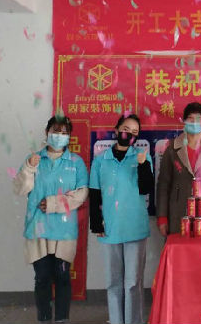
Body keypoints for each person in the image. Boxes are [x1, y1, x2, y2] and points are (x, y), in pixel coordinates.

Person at [13, 115, 88, 323]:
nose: (59, 136)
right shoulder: (35, 159)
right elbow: (19, 189)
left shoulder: (76, 162)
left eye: (64, 133)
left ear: (69, 136)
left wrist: (54, 204)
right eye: (56, 131)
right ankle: (44, 319)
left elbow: (82, 193)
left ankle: (62, 319)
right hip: (38, 229)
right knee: (42, 278)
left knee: (63, 277)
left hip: (64, 232)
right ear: (47, 132)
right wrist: (29, 167)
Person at [89, 114, 153, 324]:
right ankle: (116, 320)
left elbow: (146, 189)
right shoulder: (101, 160)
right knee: (113, 282)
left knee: (133, 282)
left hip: (135, 228)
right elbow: (94, 193)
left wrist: (142, 165)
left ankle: (134, 321)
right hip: (110, 227)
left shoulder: (142, 157)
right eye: (126, 129)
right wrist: (96, 222)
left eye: (135, 132)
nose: (129, 135)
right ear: (116, 130)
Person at [156, 102, 201, 236]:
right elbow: (163, 185)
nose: (195, 123)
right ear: (184, 122)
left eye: (198, 119)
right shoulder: (172, 148)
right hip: (178, 212)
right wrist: (162, 218)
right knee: (179, 248)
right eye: (191, 119)